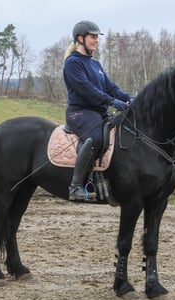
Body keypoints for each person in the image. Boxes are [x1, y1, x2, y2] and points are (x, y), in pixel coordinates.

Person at [63, 20, 133, 202]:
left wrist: (128, 98)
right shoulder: (73, 63)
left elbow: (111, 87)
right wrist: (112, 102)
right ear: (80, 38)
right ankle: (76, 186)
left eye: (97, 37)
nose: (96, 40)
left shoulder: (96, 65)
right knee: (95, 138)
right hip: (79, 112)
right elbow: (86, 90)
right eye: (93, 37)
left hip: (98, 112)